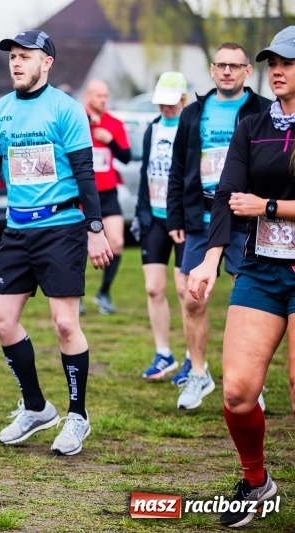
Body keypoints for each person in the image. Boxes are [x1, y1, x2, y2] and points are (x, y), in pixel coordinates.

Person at [0, 30, 112, 455]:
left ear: (46, 62)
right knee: (1, 321)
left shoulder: (66, 109)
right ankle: (36, 407)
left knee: (65, 323)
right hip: (17, 229)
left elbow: (85, 170)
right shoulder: (1, 111)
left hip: (62, 226)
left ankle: (77, 416)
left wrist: (95, 225)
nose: (16, 62)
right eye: (12, 56)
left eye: (26, 56)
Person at [185, 26, 294, 528]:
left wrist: (270, 206)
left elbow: (254, 202)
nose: (278, 70)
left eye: (288, 63)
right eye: (273, 61)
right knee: (237, 392)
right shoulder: (252, 126)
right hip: (261, 268)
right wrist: (209, 259)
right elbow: (229, 195)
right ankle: (255, 480)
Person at [166, 42, 272, 409]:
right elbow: (178, 169)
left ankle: (251, 380)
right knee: (193, 299)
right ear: (212, 70)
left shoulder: (263, 111)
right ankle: (198, 374)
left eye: (235, 66)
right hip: (202, 219)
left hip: (247, 217)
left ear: (247, 71)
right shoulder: (193, 113)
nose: (227, 71)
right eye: (221, 65)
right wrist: (175, 216)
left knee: (251, 301)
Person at [134, 72, 189, 380]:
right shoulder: (152, 129)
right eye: (161, 104)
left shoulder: (190, 128)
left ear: (183, 100)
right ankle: (163, 354)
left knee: (185, 291)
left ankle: (194, 357)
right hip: (153, 217)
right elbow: (145, 173)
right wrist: (142, 214)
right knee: (154, 287)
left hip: (181, 220)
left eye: (171, 104)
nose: (165, 109)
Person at [82, 79, 131, 315]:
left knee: (117, 242)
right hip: (82, 194)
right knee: (78, 247)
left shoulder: (114, 123)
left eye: (105, 96)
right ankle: (76, 295)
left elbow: (127, 157)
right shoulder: (77, 120)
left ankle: (104, 292)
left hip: (108, 193)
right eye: (99, 96)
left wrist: (110, 142)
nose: (103, 100)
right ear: (88, 96)